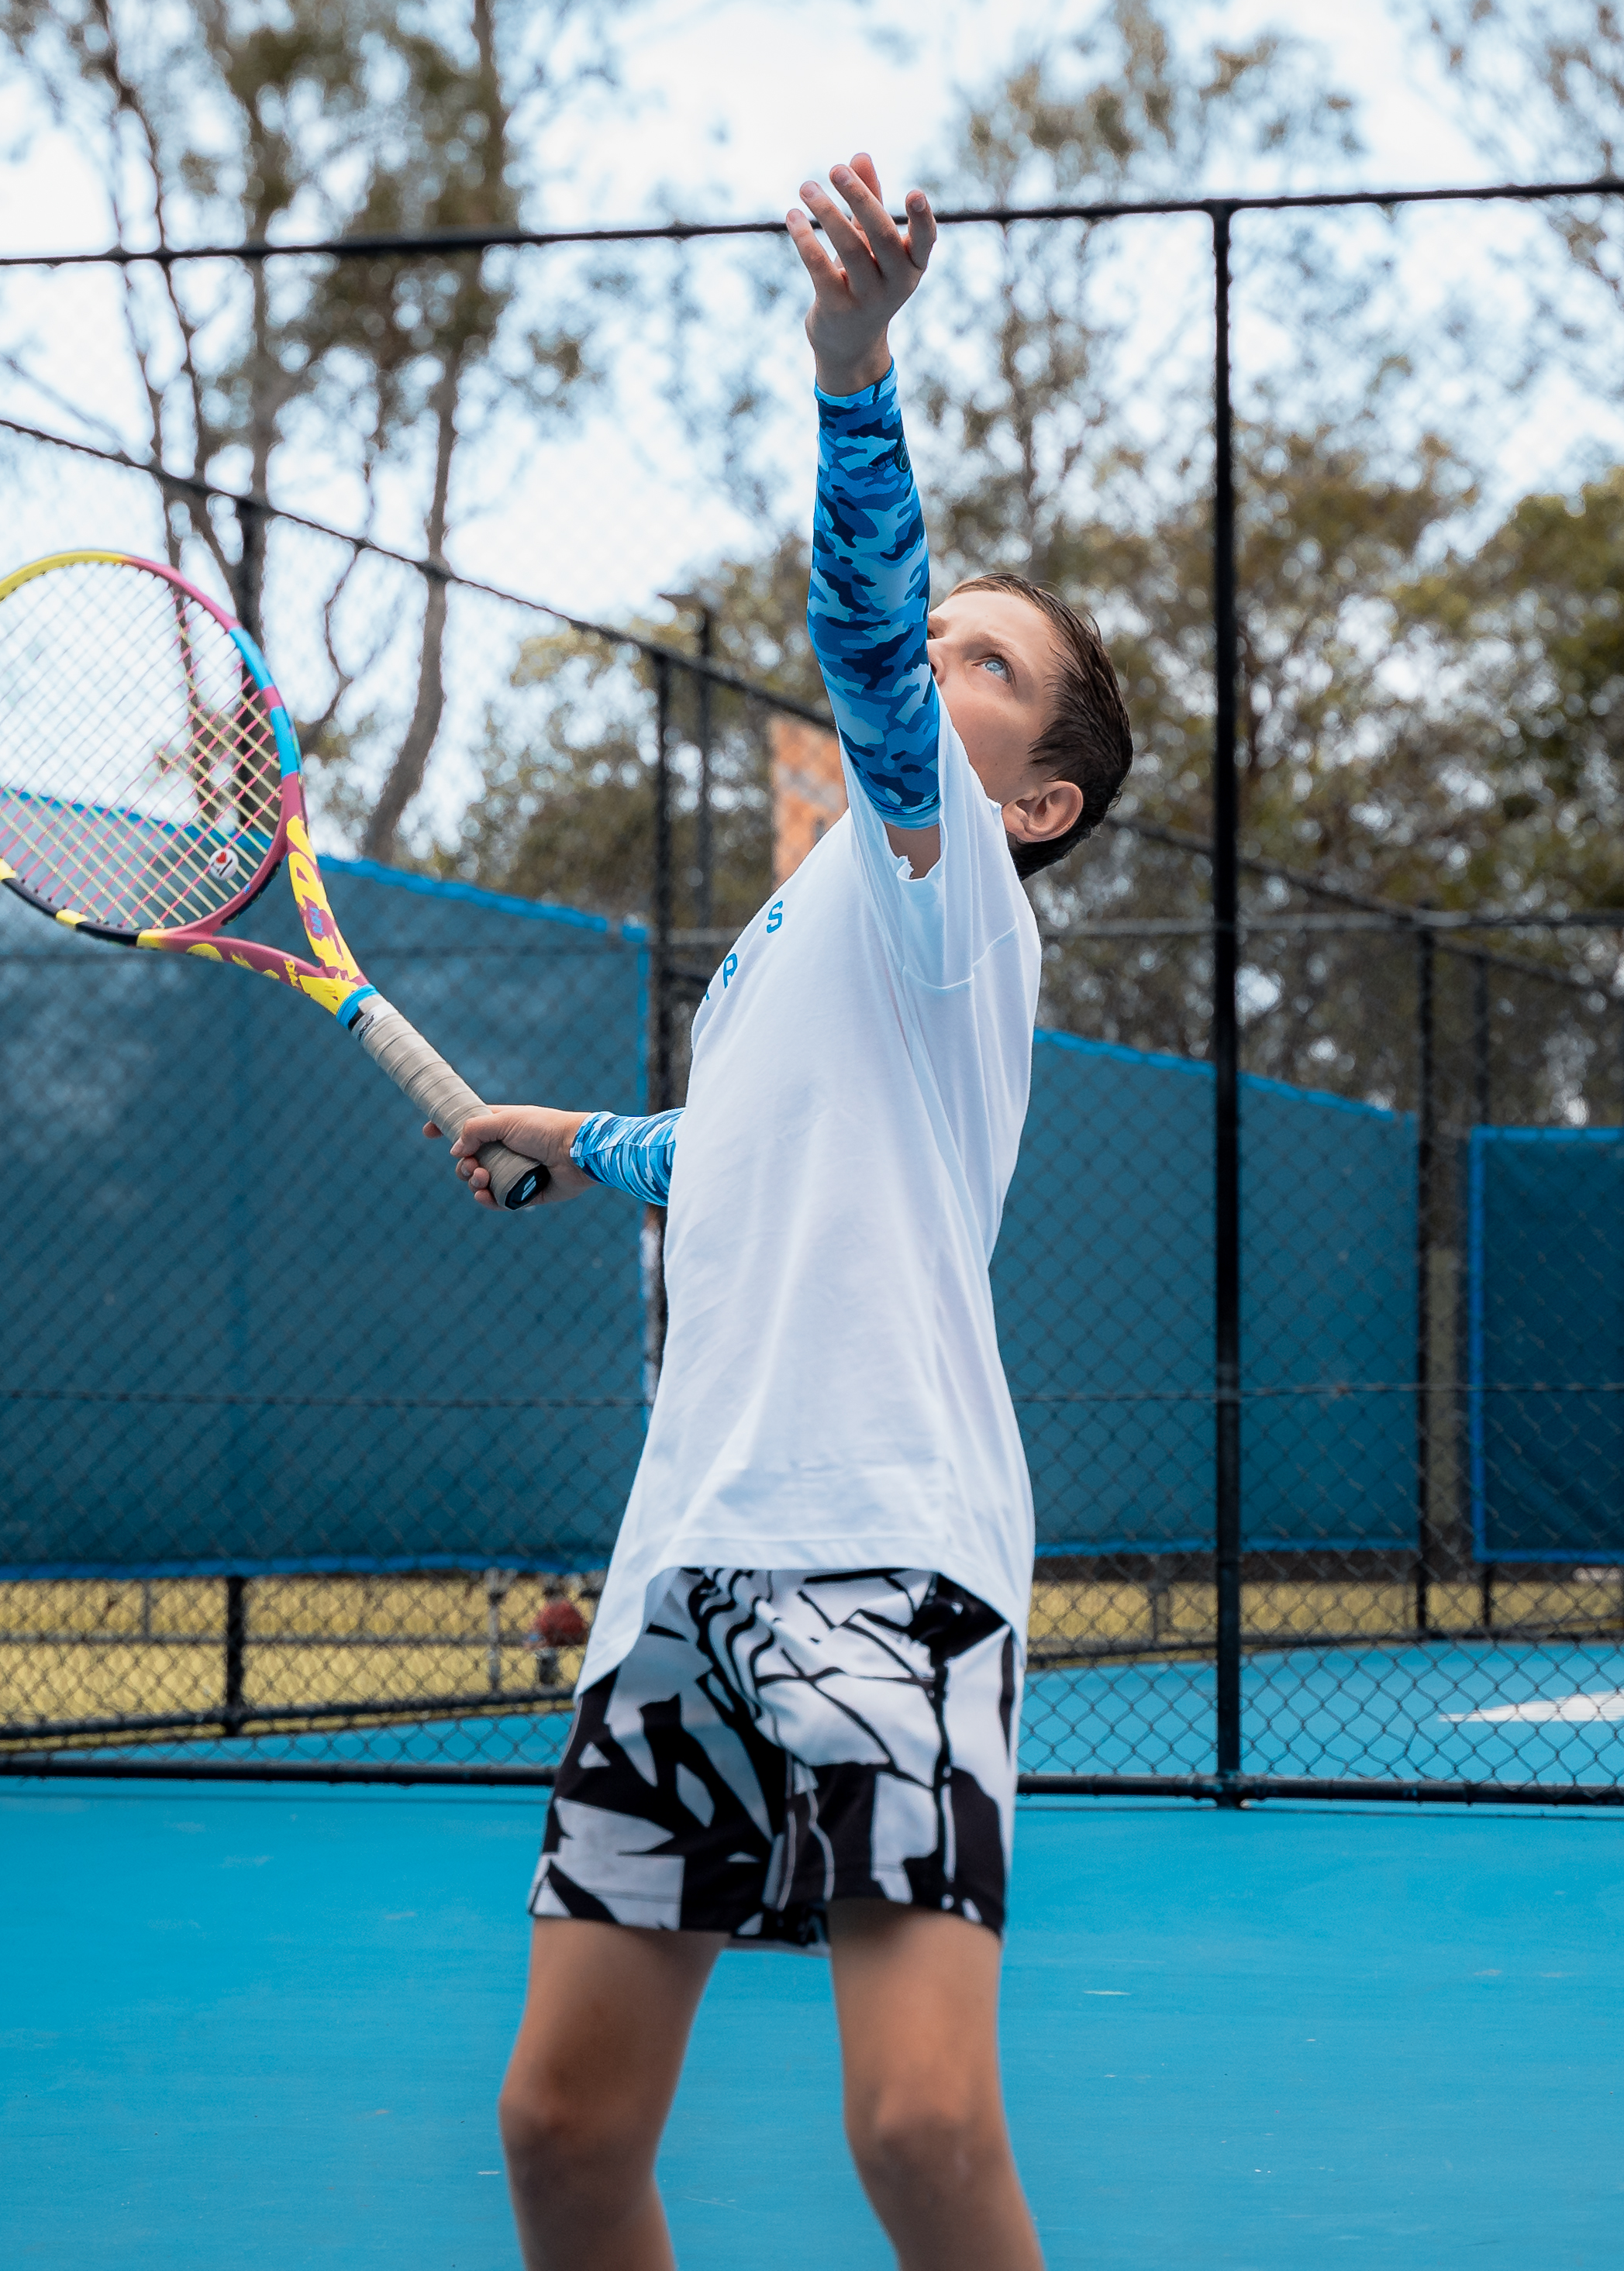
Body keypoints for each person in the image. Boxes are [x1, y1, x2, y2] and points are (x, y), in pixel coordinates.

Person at [439, 152, 1134, 2271]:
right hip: (685, 1563)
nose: (941, 644)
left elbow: (858, 623)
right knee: (563, 2132)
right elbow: (729, 1150)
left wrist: (853, 365)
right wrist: (578, 1136)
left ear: (1039, 803)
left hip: (889, 1550)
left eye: (984, 658)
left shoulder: (950, 897)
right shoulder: (805, 939)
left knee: (920, 2127)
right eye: (951, 627)